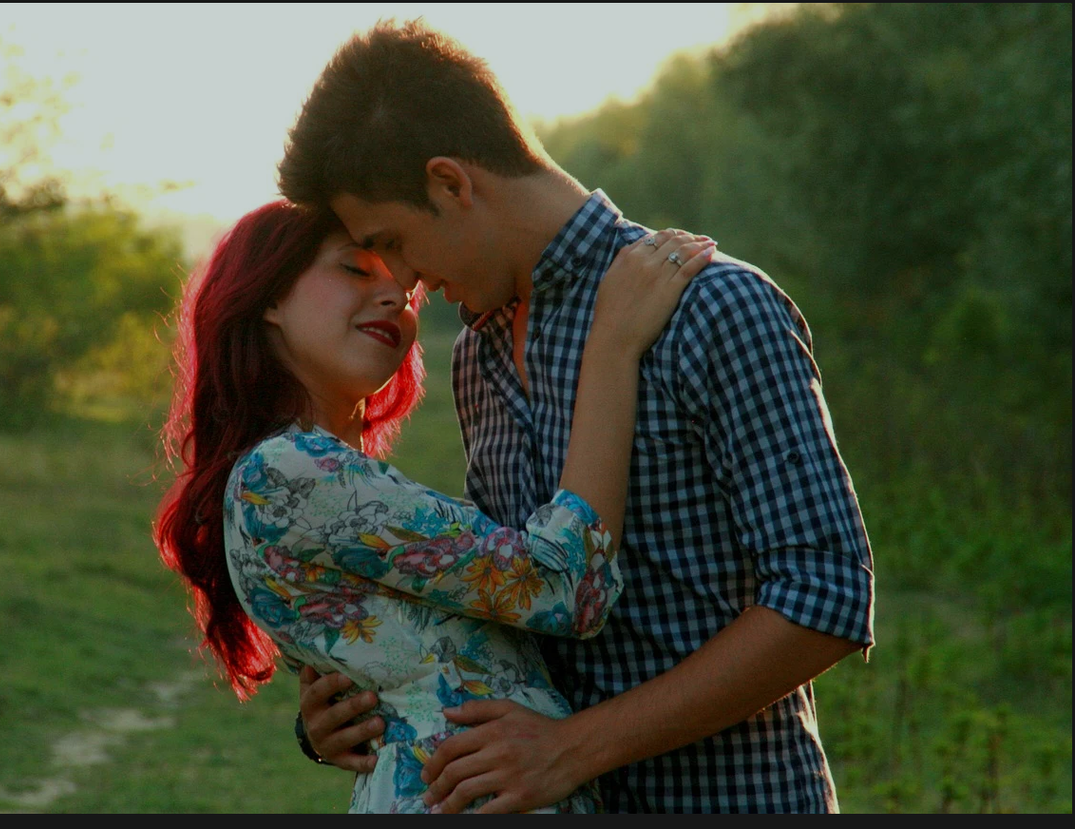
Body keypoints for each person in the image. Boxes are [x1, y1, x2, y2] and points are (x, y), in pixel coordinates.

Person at [278, 21, 876, 813]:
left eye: (393, 241)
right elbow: (512, 608)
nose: (404, 280)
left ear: (451, 184)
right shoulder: (479, 357)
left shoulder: (712, 307)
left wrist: (574, 747)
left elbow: (826, 596)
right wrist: (346, 708)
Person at [153, 198, 715, 812]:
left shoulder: (294, 471)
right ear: (269, 297)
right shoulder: (289, 470)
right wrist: (613, 345)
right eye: (355, 269)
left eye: (407, 292)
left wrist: (323, 727)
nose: (394, 299)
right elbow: (562, 585)